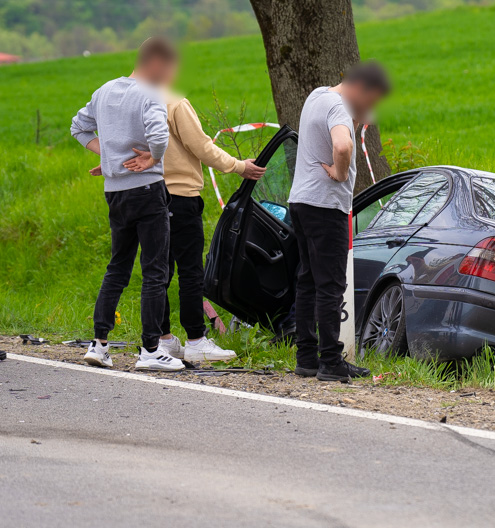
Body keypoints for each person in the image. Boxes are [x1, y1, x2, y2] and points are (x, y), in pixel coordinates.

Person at [121, 74, 267, 362]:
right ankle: (196, 341)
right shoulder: (174, 103)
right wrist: (239, 166)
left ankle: (162, 340)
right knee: (190, 272)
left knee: (157, 272)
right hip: (180, 196)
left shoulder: (131, 106)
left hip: (145, 195)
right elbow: (202, 147)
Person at [70, 37, 184, 372]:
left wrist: (108, 157)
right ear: (157, 63)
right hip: (147, 190)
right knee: (155, 270)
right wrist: (153, 158)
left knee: (118, 266)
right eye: (171, 68)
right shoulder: (150, 93)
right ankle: (151, 350)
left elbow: (78, 127)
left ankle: (99, 344)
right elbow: (159, 137)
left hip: (115, 191)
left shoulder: (104, 90)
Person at [289, 62, 391, 383]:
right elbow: (343, 145)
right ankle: (331, 362)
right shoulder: (339, 107)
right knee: (330, 285)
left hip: (301, 202)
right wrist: (341, 171)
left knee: (307, 280)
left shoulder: (318, 96)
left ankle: (306, 357)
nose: (370, 109)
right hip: (326, 206)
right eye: (371, 101)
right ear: (361, 89)